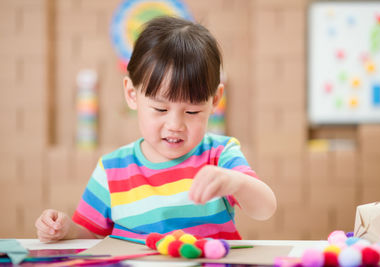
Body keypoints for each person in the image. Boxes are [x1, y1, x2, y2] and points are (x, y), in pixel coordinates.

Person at [35, 16, 276, 242]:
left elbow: (265, 208)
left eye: (192, 112)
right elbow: (89, 234)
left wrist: (236, 182)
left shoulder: (220, 155)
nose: (175, 125)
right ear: (132, 95)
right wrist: (64, 230)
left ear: (214, 101)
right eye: (161, 109)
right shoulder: (112, 170)